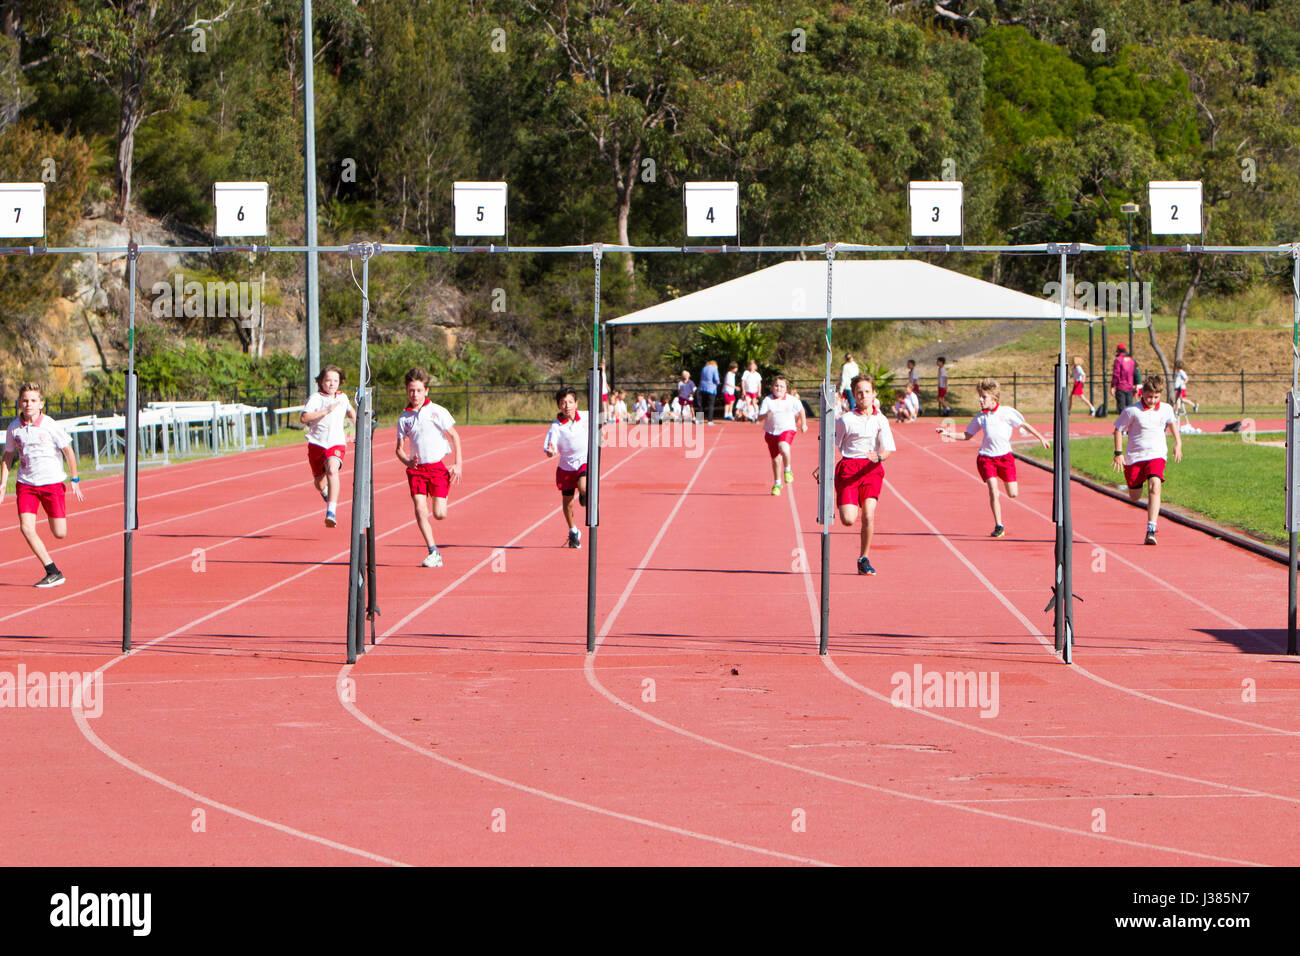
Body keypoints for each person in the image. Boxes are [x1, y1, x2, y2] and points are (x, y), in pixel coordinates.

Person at [937, 377, 1049, 538]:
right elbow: (967, 435)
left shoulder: (1007, 413)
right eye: (980, 397)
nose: (980, 400)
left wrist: (1041, 438)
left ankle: (1004, 484)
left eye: (984, 397)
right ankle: (999, 525)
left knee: (1013, 494)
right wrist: (948, 433)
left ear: (994, 399)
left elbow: (1025, 425)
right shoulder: (981, 417)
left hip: (1005, 458)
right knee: (993, 490)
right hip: (986, 458)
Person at [1, 383, 84, 587]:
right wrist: (3, 483)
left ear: (41, 404)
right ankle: (52, 571)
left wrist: (74, 479)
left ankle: (53, 518)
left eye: (33, 401)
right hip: (26, 484)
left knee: (59, 533)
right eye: (25, 400)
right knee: (26, 527)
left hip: (51, 483)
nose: (28, 404)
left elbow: (68, 451)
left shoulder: (50, 425)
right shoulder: (14, 427)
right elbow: (8, 456)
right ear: (19, 403)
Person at [816, 375, 894, 575]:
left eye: (867, 391)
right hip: (849, 468)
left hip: (871, 469)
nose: (863, 396)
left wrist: (878, 456)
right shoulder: (846, 420)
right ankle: (845, 499)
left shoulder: (881, 419)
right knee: (849, 519)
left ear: (874, 393)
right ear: (854, 395)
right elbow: (832, 444)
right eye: (859, 392)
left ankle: (863, 558)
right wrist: (822, 466)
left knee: (868, 515)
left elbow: (888, 449)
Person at [395, 367, 462, 568]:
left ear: (426, 391)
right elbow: (398, 449)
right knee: (419, 509)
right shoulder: (404, 418)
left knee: (440, 514)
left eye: (418, 390)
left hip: (437, 468)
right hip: (416, 470)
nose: (414, 394)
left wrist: (458, 464)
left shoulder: (437, 411)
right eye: (411, 391)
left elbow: (455, 436)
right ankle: (433, 551)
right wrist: (407, 461)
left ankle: (439, 497)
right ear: (407, 391)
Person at [1113, 377, 1181, 545]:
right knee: (1135, 497)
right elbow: (1118, 430)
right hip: (1135, 457)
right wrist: (1118, 453)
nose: (1152, 400)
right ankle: (1136, 485)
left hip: (1156, 454)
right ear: (1142, 394)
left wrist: (1178, 443)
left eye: (1156, 397)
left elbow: (1172, 425)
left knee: (1155, 485)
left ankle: (1151, 529)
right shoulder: (1132, 411)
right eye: (1149, 396)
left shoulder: (1166, 409)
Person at [299, 364, 356, 528]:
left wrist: (357, 428)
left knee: (332, 469)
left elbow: (351, 413)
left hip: (336, 443)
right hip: (317, 443)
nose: (332, 384)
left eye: (335, 381)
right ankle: (325, 493)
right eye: (328, 380)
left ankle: (331, 511)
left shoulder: (342, 398)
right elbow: (304, 418)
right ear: (321, 382)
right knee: (319, 483)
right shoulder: (316, 398)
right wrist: (325, 411)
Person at [543, 387, 590, 549]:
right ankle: (573, 530)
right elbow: (550, 448)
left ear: (576, 404)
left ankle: (584, 492)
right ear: (558, 406)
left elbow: (601, 418)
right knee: (567, 503)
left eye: (570, 402)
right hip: (566, 467)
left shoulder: (585, 416)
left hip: (583, 461)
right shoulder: (556, 427)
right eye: (563, 403)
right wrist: (550, 451)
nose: (567, 406)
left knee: (583, 486)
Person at [758, 375, 807, 496]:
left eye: (781, 386)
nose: (778, 388)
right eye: (776, 386)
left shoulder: (791, 400)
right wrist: (766, 414)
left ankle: (788, 470)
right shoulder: (767, 400)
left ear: (786, 388)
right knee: (775, 460)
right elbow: (759, 418)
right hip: (771, 432)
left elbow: (801, 410)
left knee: (784, 447)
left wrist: (804, 424)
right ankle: (777, 483)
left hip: (787, 429)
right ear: (772, 387)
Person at [1111, 343, 1136, 413]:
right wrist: (1136, 384)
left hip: (1121, 386)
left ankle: (1123, 423)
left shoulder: (1118, 360)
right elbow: (1135, 372)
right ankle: (1130, 423)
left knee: (1122, 408)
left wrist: (1113, 386)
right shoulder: (1131, 360)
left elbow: (1116, 374)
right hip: (1130, 386)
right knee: (1130, 408)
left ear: (1118, 351)